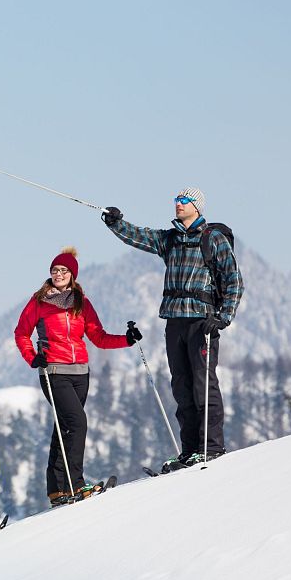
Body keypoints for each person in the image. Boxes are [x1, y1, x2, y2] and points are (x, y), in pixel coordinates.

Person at [101, 188, 244, 468]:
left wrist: (224, 316)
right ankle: (190, 449)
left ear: (197, 206)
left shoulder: (212, 239)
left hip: (202, 320)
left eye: (184, 201)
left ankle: (211, 446)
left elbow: (233, 280)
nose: (178, 204)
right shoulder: (170, 239)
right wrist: (115, 222)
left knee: (203, 384)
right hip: (174, 321)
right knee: (181, 385)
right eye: (177, 200)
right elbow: (139, 236)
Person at [14, 247, 139, 506]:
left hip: (80, 372)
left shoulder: (81, 302)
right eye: (54, 270)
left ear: (72, 275)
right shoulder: (39, 302)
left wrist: (126, 340)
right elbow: (21, 333)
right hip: (54, 371)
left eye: (63, 270)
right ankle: (76, 484)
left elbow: (98, 336)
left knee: (65, 427)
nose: (58, 274)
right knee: (77, 422)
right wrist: (32, 357)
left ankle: (57, 489)